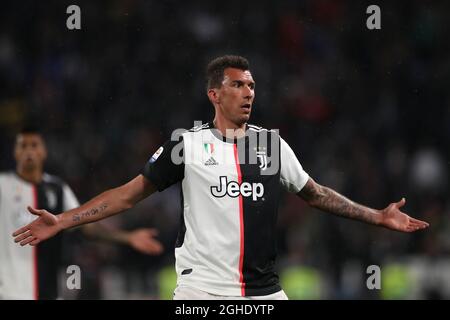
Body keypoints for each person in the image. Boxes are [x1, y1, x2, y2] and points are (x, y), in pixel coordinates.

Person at [12, 56, 429, 300]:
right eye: (237, 85)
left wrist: (377, 216)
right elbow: (127, 195)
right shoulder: (186, 145)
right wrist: (63, 221)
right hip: (204, 293)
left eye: (251, 85)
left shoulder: (271, 145)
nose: (248, 92)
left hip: (264, 293)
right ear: (215, 94)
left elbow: (315, 194)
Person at [1, 126, 163, 300]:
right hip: (8, 293)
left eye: (34, 145)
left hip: (48, 293)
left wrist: (127, 238)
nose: (29, 151)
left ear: (44, 151)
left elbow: (86, 228)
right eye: (23, 145)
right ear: (15, 152)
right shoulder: (2, 185)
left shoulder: (58, 189)